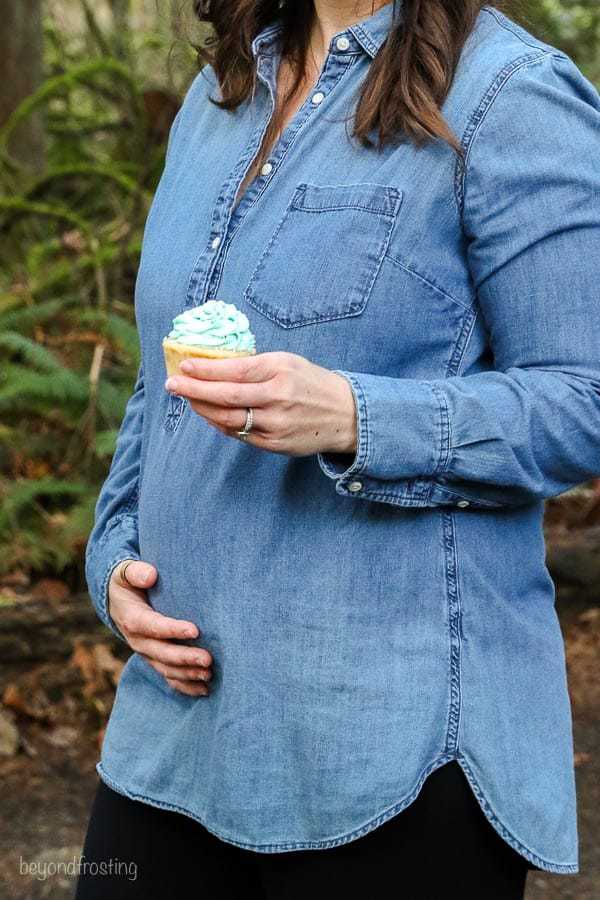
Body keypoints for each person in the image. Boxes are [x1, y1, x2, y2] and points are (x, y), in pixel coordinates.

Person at [76, 1, 600, 897]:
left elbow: (583, 400)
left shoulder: (512, 96)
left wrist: (360, 417)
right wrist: (112, 556)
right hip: (175, 737)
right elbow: (159, 374)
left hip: (393, 753)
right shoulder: (221, 89)